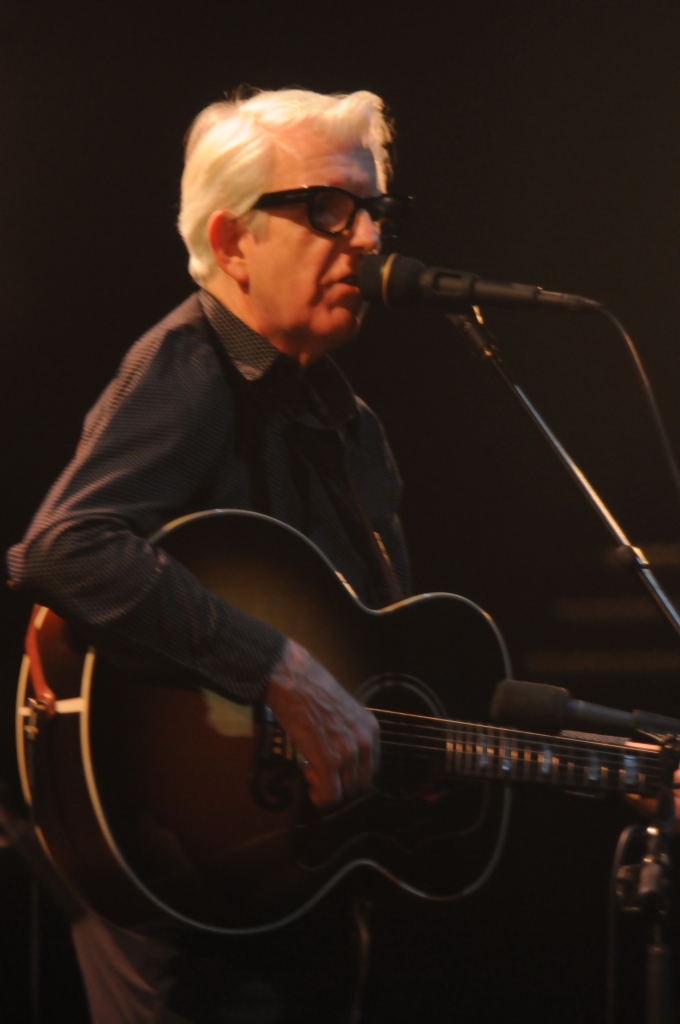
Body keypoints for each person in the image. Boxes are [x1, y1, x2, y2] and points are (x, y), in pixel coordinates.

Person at [7, 87, 411, 1022]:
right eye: (327, 209)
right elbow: (66, 548)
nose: (364, 239)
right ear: (232, 243)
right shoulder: (190, 365)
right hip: (174, 863)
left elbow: (392, 664)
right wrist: (278, 669)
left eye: (374, 210)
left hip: (299, 869)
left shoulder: (351, 426)